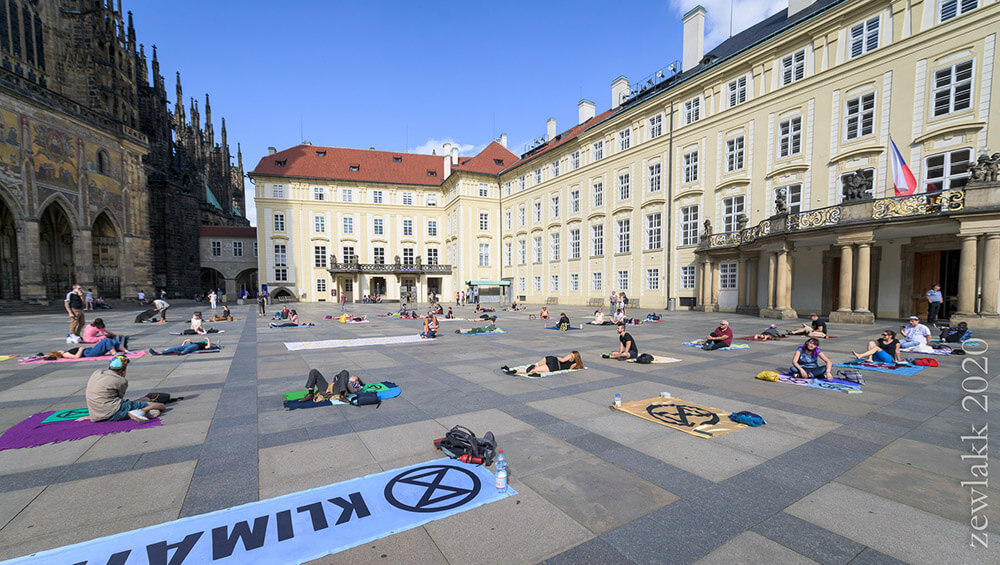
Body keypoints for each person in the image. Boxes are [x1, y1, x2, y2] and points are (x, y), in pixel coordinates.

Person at [82, 355, 165, 423]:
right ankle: (141, 411)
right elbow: (120, 399)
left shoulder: (97, 372)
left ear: (109, 366)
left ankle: (140, 410)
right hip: (113, 412)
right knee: (160, 406)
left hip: (96, 414)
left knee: (145, 399)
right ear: (124, 370)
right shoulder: (121, 380)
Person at [300, 369, 364, 403]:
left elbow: (353, 391)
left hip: (337, 391)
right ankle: (310, 394)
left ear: (357, 381)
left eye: (355, 377)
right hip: (327, 388)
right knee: (314, 371)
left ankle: (342, 396)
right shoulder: (344, 379)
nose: (352, 376)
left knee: (345, 372)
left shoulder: (356, 385)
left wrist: (347, 382)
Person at [502, 351, 584, 375]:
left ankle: (512, 369)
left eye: (571, 355)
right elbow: (568, 368)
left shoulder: (569, 357)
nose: (569, 355)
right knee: (535, 370)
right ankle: (515, 372)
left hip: (551, 359)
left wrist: (557, 357)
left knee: (536, 365)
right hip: (555, 366)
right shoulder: (574, 363)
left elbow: (561, 359)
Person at [45, 336, 128, 359]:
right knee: (106, 340)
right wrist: (80, 349)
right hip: (90, 353)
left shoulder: (65, 353)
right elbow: (76, 357)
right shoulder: (65, 354)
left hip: (90, 351)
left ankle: (126, 351)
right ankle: (114, 353)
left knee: (112, 341)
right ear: (58, 352)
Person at [149, 337, 216, 356]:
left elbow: (208, 347)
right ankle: (158, 353)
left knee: (189, 348)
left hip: (195, 346)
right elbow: (182, 345)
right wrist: (184, 341)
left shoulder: (204, 345)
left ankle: (181, 353)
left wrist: (208, 340)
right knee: (174, 348)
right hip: (189, 344)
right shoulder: (201, 342)